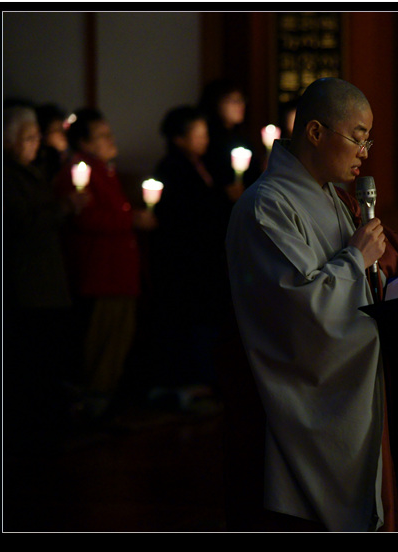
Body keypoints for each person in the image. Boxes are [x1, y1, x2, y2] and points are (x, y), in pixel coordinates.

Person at [225, 77, 398, 532]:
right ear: (315, 132)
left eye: (369, 140)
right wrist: (355, 258)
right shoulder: (265, 207)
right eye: (358, 137)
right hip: (310, 401)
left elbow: (367, 290)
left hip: (362, 382)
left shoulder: (334, 199)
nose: (365, 152)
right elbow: (299, 311)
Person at [54, 108, 157, 420]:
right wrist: (131, 219)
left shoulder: (103, 170)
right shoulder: (79, 172)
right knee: (102, 343)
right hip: (101, 272)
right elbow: (85, 218)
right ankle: (91, 406)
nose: (111, 140)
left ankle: (102, 402)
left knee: (116, 340)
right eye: (103, 136)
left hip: (116, 273)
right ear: (84, 142)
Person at [3, 105, 87, 449]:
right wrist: (64, 207)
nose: (36, 144)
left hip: (46, 280)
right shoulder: (7, 178)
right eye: (28, 138)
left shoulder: (32, 173)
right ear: (8, 141)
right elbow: (22, 222)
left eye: (37, 137)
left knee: (46, 357)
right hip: (26, 283)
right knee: (30, 359)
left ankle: (46, 427)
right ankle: (30, 432)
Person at [150, 105, 235, 392]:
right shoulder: (172, 168)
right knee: (190, 320)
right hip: (186, 259)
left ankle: (205, 380)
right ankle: (190, 382)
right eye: (197, 135)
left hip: (206, 255)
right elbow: (186, 212)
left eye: (205, 133)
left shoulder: (203, 164)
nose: (204, 140)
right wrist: (222, 198)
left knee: (207, 319)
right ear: (179, 139)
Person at [198, 79, 263, 201]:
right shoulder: (206, 140)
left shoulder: (241, 137)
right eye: (233, 101)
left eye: (241, 100)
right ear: (216, 103)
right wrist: (223, 192)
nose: (241, 105)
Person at [34, 103, 70, 184]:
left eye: (63, 129)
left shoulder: (66, 157)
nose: (63, 134)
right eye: (57, 130)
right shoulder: (40, 164)